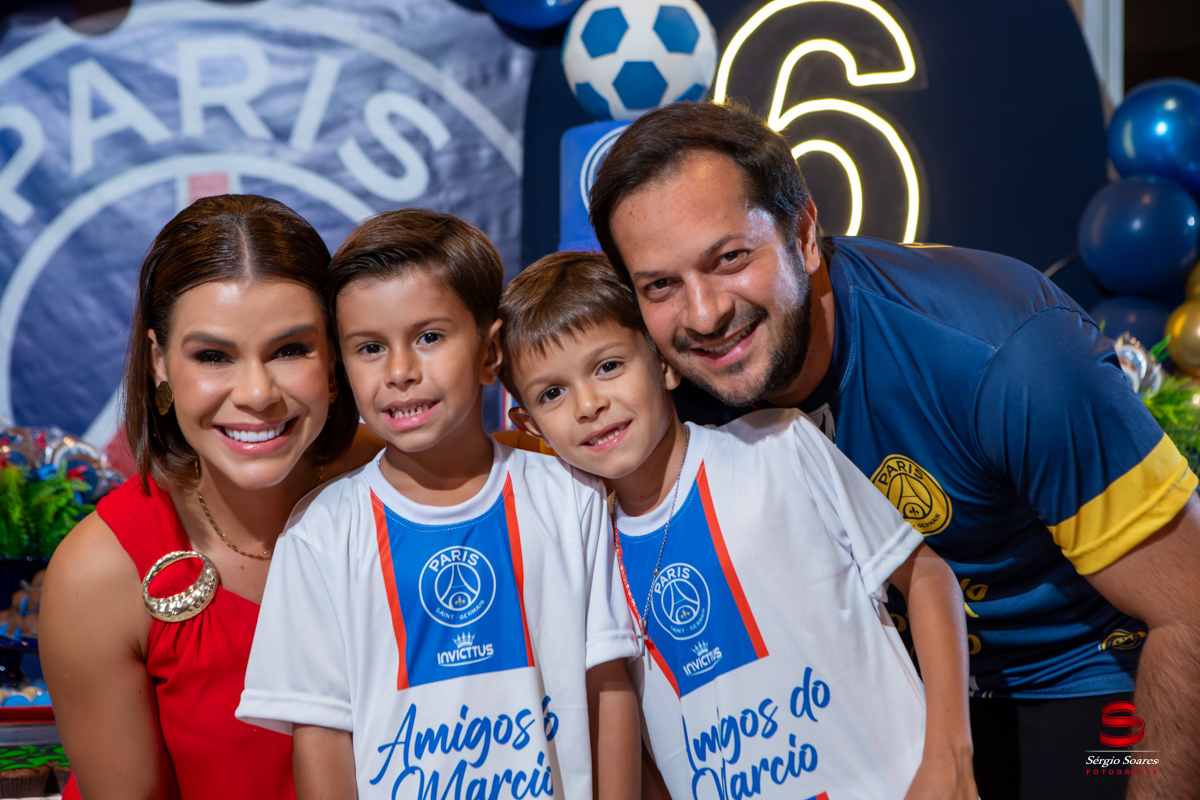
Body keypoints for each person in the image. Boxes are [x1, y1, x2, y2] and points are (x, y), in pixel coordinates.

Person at [585, 101, 1200, 800]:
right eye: (661, 286)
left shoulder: (1007, 354)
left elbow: (1189, 613)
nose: (704, 314)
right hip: (879, 695)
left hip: (1083, 693)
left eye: (729, 259)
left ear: (805, 235)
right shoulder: (661, 390)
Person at [497, 251, 974, 799]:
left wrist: (949, 756)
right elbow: (633, 738)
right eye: (552, 393)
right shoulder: (585, 558)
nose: (588, 404)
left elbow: (926, 576)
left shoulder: (779, 446)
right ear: (530, 425)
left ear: (665, 364)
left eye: (608, 366)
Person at [235, 210, 641, 799]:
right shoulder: (320, 534)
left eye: (429, 337)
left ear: (489, 352)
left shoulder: (570, 496)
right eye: (370, 347)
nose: (400, 371)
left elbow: (608, 683)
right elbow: (322, 737)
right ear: (341, 368)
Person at [39, 195, 381, 799]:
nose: (257, 393)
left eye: (290, 349)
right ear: (158, 363)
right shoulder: (101, 573)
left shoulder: (412, 484)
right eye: (213, 356)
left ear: (333, 355)